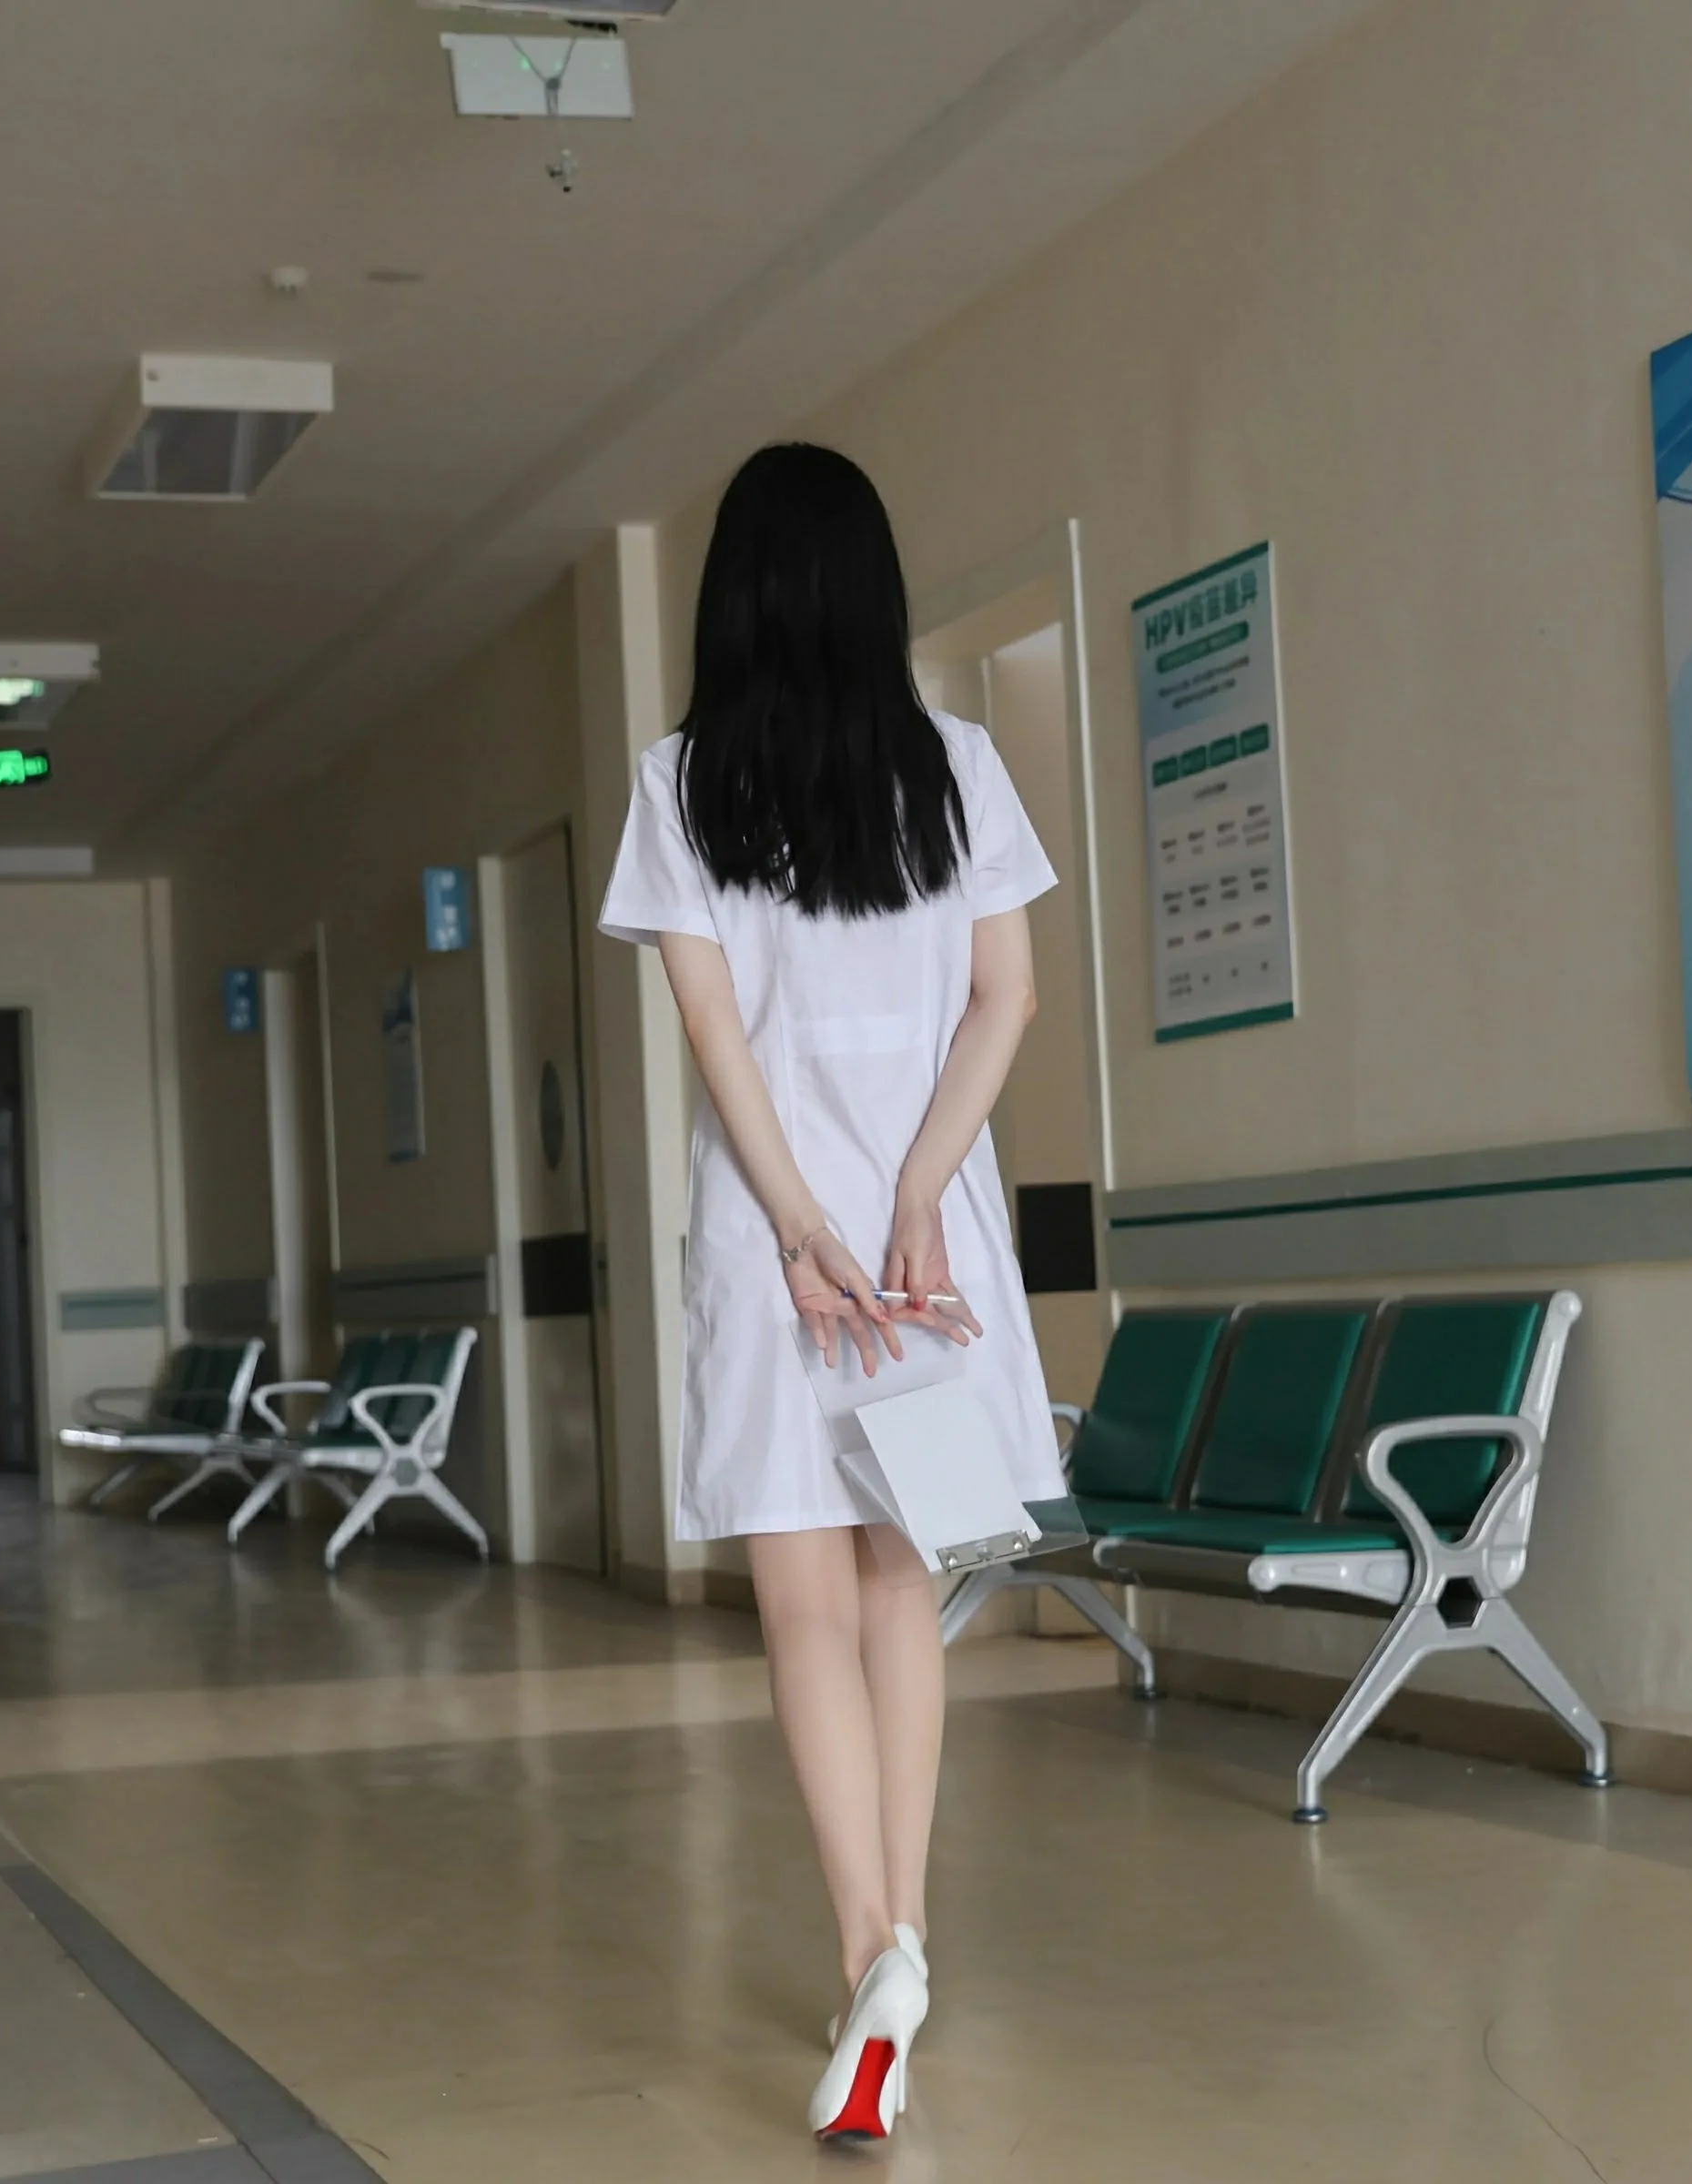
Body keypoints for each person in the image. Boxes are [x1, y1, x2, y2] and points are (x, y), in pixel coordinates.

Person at [597, 441, 1063, 2146]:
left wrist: (800, 1227)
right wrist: (918, 1191)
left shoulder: (680, 785)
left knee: (800, 1607)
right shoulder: (959, 768)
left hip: (772, 1242)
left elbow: (712, 1033)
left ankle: (870, 1948)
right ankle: (905, 1938)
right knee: (897, 1593)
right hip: (929, 1246)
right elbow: (1007, 1000)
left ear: (731, 596)